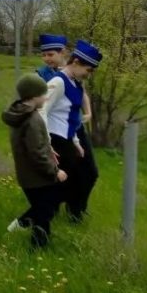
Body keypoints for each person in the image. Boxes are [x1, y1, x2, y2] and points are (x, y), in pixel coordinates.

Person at [37, 34, 99, 218]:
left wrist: (87, 114)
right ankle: (40, 215)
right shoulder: (51, 78)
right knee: (62, 178)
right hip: (56, 134)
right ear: (77, 62)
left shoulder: (75, 78)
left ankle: (74, 210)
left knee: (86, 173)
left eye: (51, 54)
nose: (47, 58)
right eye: (44, 55)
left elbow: (80, 98)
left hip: (72, 131)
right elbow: (41, 108)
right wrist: (46, 141)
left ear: (63, 53)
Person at [3, 73, 67, 247]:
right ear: (33, 96)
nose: (46, 98)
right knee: (44, 214)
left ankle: (19, 227)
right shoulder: (32, 119)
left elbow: (33, 144)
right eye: (43, 95)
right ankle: (37, 249)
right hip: (37, 177)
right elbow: (36, 153)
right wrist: (55, 171)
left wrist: (48, 148)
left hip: (27, 175)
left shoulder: (20, 114)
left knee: (43, 208)